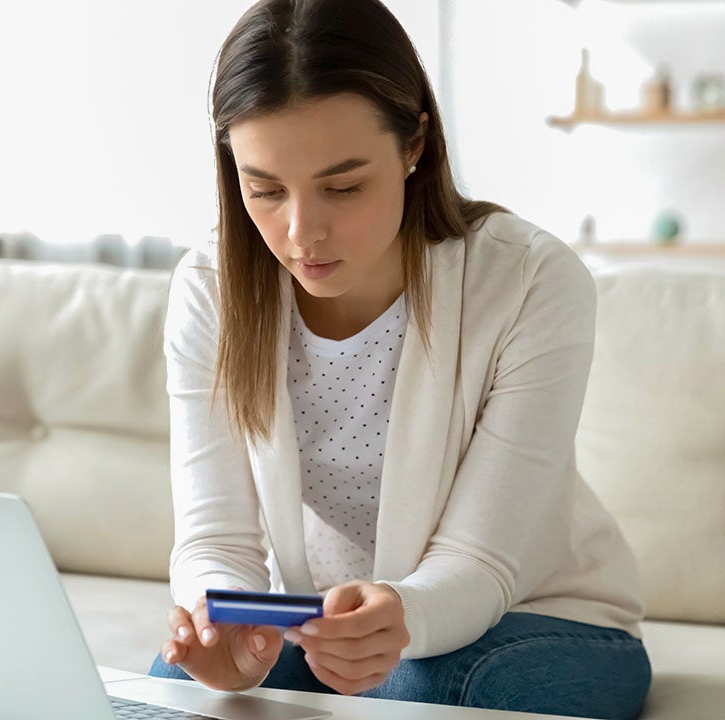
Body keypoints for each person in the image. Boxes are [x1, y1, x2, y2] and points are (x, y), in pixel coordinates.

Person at [149, 0, 651, 717]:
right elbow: (214, 541)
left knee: (427, 688)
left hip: (541, 619)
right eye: (263, 189)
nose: (300, 234)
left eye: (343, 186)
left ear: (414, 144)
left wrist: (400, 617)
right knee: (174, 688)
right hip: (325, 628)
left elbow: (480, 564)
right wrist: (214, 623)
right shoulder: (212, 290)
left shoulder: (529, 280)